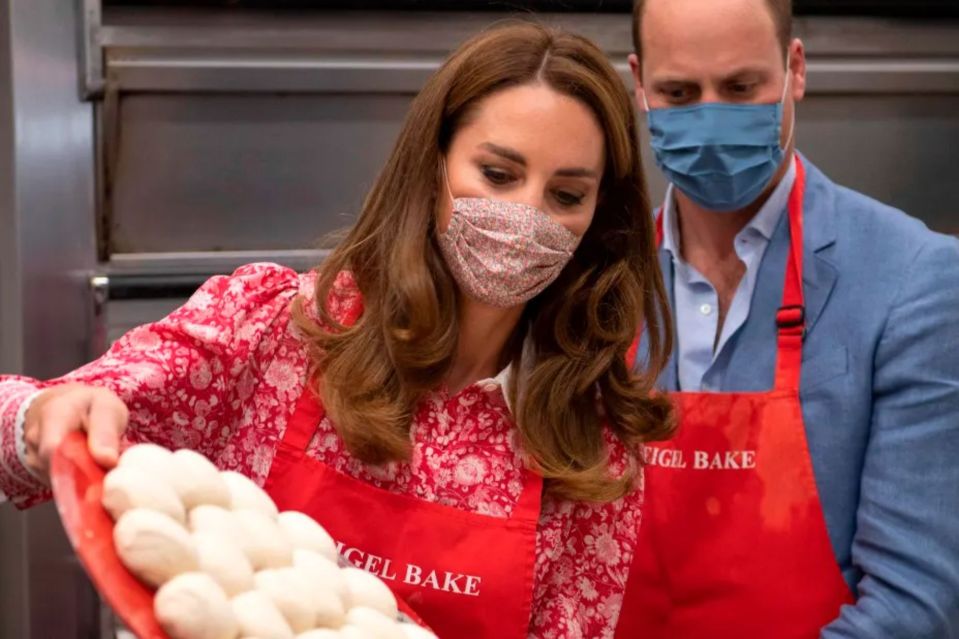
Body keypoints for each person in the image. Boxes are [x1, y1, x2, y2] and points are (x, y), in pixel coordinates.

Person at [0, 23, 676, 638]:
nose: (525, 214)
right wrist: (42, 414)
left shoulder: (590, 447)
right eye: (496, 174)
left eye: (564, 195)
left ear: (598, 216)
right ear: (431, 167)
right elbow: (30, 438)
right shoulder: (275, 330)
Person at [616, 0, 959, 637]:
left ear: (794, 69)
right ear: (639, 85)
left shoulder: (915, 278)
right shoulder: (600, 283)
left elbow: (915, 604)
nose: (711, 117)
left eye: (741, 88)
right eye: (679, 92)